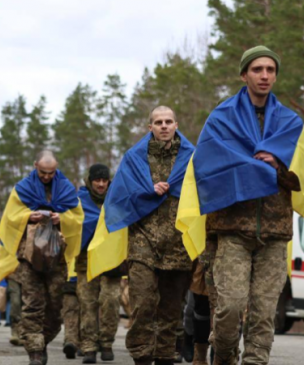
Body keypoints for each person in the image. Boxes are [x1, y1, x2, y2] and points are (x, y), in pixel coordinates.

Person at [175, 45, 304, 365]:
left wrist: (279, 165)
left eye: (270, 70)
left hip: (275, 230)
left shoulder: (289, 122)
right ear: (244, 75)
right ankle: (224, 357)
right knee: (228, 308)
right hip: (231, 230)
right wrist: (251, 166)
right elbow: (207, 169)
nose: (265, 75)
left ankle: (255, 361)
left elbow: (303, 178)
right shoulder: (221, 119)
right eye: (258, 69)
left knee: (264, 313)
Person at [87, 106, 195, 365]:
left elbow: (202, 192)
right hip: (142, 240)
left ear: (176, 124)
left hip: (178, 242)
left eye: (169, 121)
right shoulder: (135, 157)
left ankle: (165, 354)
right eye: (158, 122)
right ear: (150, 127)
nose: (164, 126)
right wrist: (147, 189)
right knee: (143, 303)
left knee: (171, 308)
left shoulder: (191, 157)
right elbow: (120, 196)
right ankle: (141, 355)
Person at [0, 150, 84, 365]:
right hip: (29, 257)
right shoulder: (22, 189)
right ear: (35, 166)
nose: (47, 177)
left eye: (51, 173)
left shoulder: (67, 189)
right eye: (43, 172)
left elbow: (78, 218)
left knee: (55, 307)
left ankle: (42, 342)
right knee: (32, 304)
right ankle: (35, 351)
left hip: (57, 259)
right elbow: (9, 218)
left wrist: (63, 218)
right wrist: (26, 216)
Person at [75, 164, 121, 363]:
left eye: (104, 180)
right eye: (97, 180)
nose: (101, 184)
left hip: (111, 259)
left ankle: (107, 342)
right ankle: (89, 346)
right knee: (87, 303)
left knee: (111, 301)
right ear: (90, 180)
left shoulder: (117, 198)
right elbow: (73, 224)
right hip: (86, 260)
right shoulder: (79, 201)